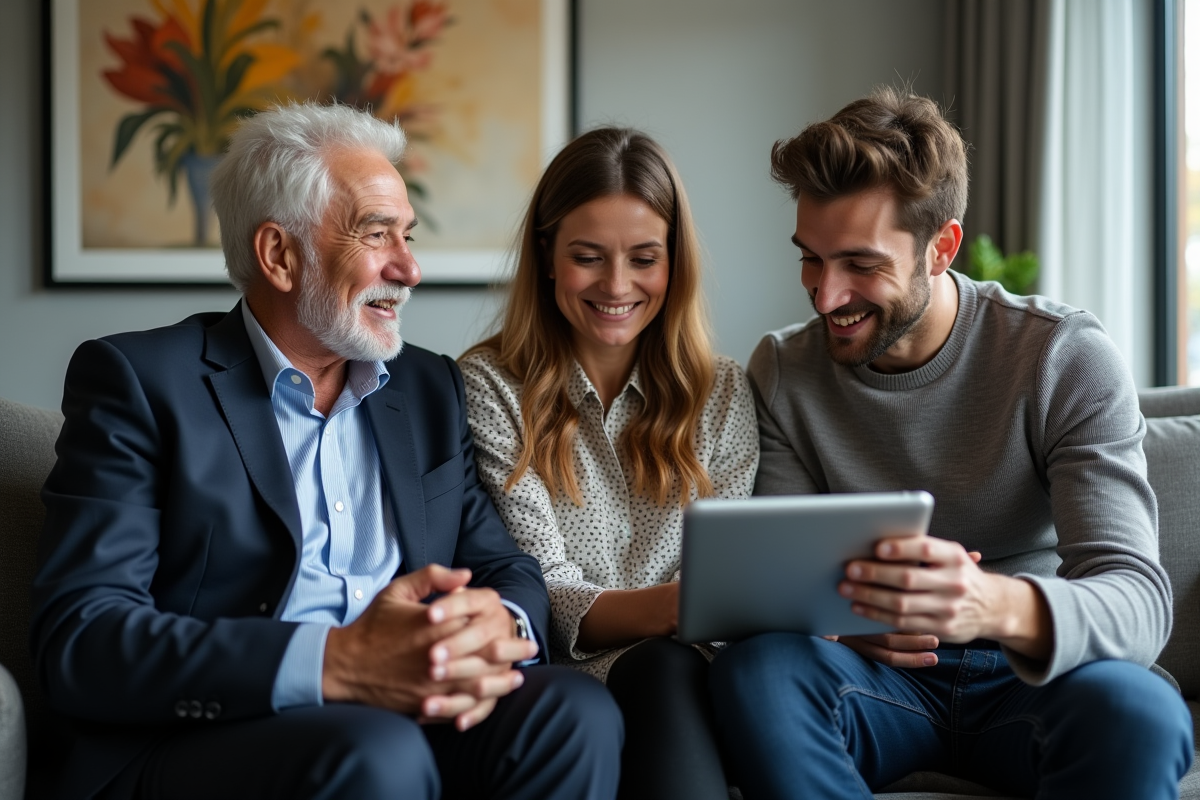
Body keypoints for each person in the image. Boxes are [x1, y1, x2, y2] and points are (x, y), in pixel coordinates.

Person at [30, 103, 621, 800]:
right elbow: (83, 637)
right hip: (209, 734)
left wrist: (502, 621)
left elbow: (499, 565)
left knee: (572, 711)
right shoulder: (139, 381)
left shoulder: (428, 386)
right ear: (279, 255)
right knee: (376, 752)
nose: (410, 268)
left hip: (408, 714)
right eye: (377, 234)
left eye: (408, 235)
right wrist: (335, 661)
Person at [708, 88, 1195, 799]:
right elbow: (783, 590)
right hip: (876, 678)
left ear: (941, 248)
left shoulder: (1060, 356)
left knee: (1141, 715)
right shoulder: (784, 370)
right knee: (757, 674)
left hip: (1034, 675)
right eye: (811, 258)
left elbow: (1138, 601)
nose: (825, 295)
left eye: (860, 264)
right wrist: (840, 626)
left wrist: (991, 604)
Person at [459, 127, 759, 799]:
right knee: (657, 670)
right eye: (588, 257)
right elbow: (545, 591)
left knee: (670, 670)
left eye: (644, 258)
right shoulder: (489, 386)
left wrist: (688, 612)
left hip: (687, 672)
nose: (617, 285)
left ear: (674, 262)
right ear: (547, 256)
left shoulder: (722, 391)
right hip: (564, 681)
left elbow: (726, 576)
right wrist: (681, 607)